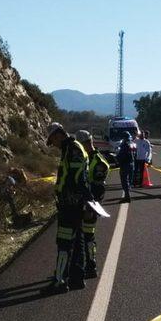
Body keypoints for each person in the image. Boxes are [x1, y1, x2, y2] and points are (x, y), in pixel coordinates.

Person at [46, 122, 92, 292]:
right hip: (73, 203)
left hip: (71, 204)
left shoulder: (72, 149)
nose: (54, 145)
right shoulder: (71, 148)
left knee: (64, 242)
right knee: (78, 239)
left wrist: (87, 200)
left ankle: (59, 282)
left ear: (58, 134)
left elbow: (78, 179)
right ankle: (77, 278)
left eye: (53, 140)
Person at [75, 130, 110, 278]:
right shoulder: (82, 158)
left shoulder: (98, 162)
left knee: (88, 236)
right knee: (79, 236)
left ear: (87, 143)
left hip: (90, 205)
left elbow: (98, 188)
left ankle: (91, 265)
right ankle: (80, 264)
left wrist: (91, 207)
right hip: (79, 203)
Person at [116, 131, 135, 202]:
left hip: (125, 164)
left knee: (124, 180)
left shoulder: (124, 145)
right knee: (129, 180)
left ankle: (127, 196)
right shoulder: (131, 143)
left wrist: (117, 158)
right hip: (132, 163)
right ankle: (127, 194)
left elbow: (122, 155)